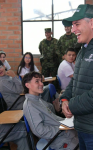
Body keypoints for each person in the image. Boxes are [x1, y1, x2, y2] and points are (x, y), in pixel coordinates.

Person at [61, 4, 93, 150]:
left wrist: (71, 105)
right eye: (73, 25)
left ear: (91, 22)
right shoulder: (83, 50)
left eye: (77, 24)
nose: (73, 30)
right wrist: (65, 99)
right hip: (82, 125)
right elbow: (76, 80)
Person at [22, 72, 78, 150]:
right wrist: (61, 130)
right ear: (27, 85)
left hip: (64, 132)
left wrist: (66, 121)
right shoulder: (30, 105)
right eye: (37, 81)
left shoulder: (38, 99)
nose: (41, 84)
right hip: (59, 138)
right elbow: (39, 131)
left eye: (41, 81)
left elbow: (52, 117)